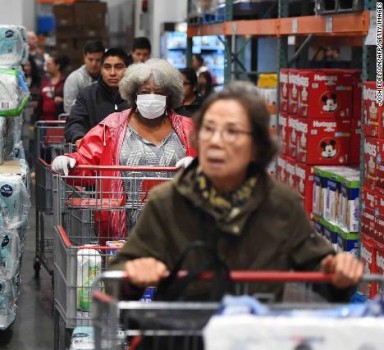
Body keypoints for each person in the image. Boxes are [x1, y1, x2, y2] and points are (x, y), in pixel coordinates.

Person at [110, 81, 363, 303]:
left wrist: (338, 273)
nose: (216, 141)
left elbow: (322, 272)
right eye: (208, 129)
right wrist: (133, 276)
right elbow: (115, 280)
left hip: (254, 340)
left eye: (232, 131)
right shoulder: (168, 201)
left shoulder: (279, 203)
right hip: (186, 341)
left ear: (257, 145)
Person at [52, 59, 197, 241]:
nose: (151, 97)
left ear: (169, 96)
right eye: (145, 92)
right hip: (122, 232)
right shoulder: (112, 127)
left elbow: (216, 169)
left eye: (159, 93)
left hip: (176, 230)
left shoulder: (189, 130)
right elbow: (86, 162)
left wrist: (199, 166)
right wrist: (70, 162)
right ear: (134, 94)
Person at [65, 48, 131, 146]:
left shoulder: (135, 95)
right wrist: (79, 137)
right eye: (107, 67)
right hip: (95, 153)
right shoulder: (87, 95)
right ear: (101, 69)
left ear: (127, 69)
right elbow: (75, 122)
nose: (112, 73)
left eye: (118, 67)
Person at [63, 40, 105, 113]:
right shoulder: (74, 78)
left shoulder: (107, 78)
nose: (94, 64)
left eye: (98, 60)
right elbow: (68, 108)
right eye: (90, 59)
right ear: (84, 57)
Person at [36, 53, 69, 122]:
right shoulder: (44, 80)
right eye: (46, 64)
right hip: (44, 120)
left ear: (57, 66)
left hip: (59, 119)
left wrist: (62, 101)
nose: (46, 66)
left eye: (49, 64)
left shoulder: (65, 81)